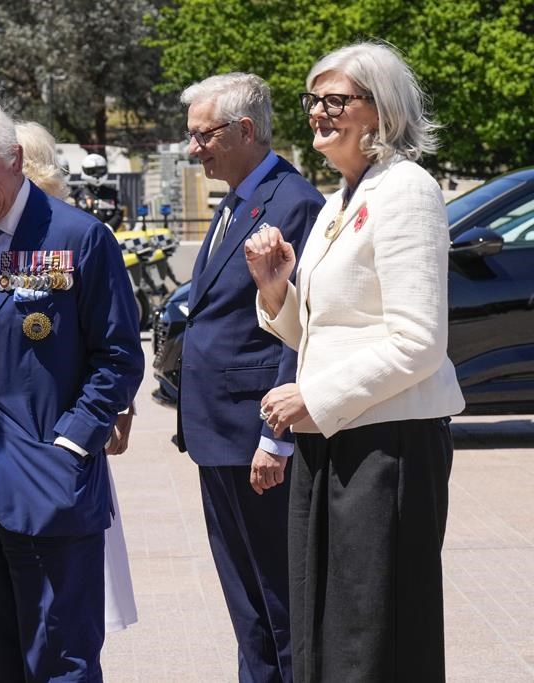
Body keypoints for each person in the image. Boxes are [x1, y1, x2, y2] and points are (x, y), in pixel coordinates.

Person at [245, 42, 465, 682]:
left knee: (375, 635)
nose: (318, 111)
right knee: (323, 624)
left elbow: (419, 340)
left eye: (336, 99)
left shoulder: (406, 190)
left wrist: (314, 399)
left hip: (386, 446)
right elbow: (324, 331)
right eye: (313, 99)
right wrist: (276, 290)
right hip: (334, 438)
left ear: (381, 110)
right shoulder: (341, 198)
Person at [0, 99, 143, 682]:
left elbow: (120, 355)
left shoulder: (79, 237)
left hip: (53, 494)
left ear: (16, 159)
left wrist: (74, 443)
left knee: (62, 663)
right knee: (1, 661)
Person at [177, 72, 324, 683]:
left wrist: (277, 437)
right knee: (247, 605)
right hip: (218, 432)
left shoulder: (293, 202)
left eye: (203, 135)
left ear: (244, 130)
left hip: (256, 433)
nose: (193, 149)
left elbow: (304, 323)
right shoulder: (238, 199)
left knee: (279, 602)